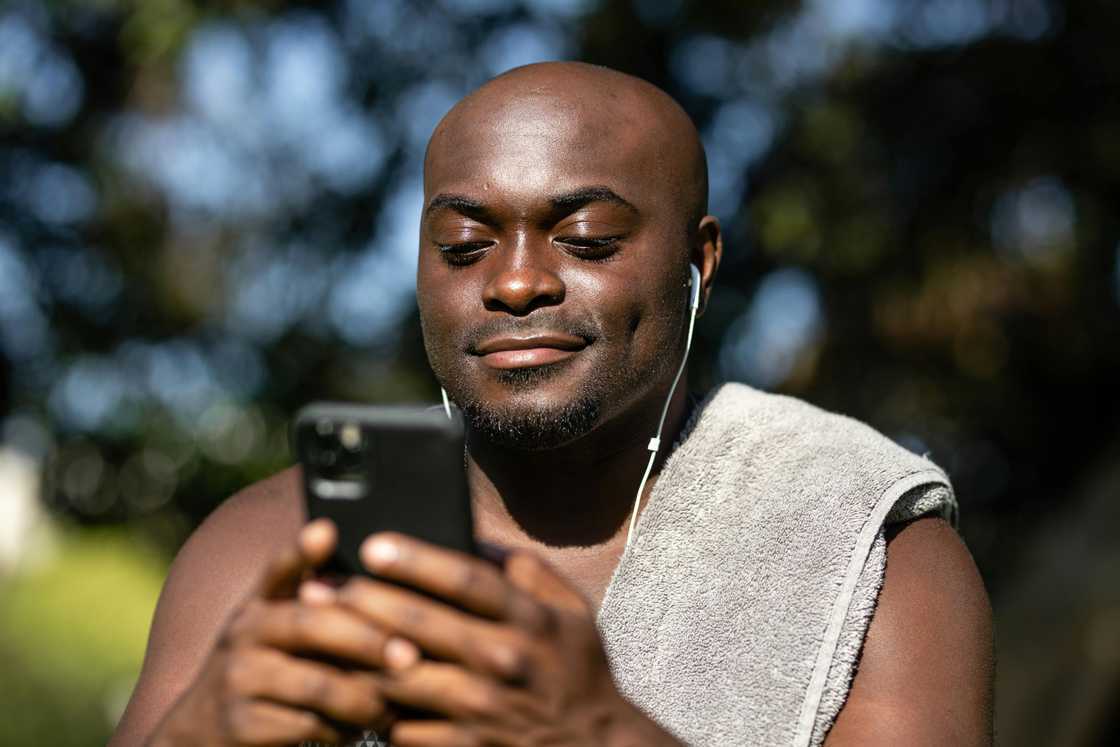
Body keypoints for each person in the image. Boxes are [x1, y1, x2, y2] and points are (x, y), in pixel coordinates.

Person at [110, 62, 993, 747]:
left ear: (701, 263)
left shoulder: (863, 553)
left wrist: (602, 731)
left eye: (586, 239)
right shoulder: (265, 548)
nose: (519, 280)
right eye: (463, 247)